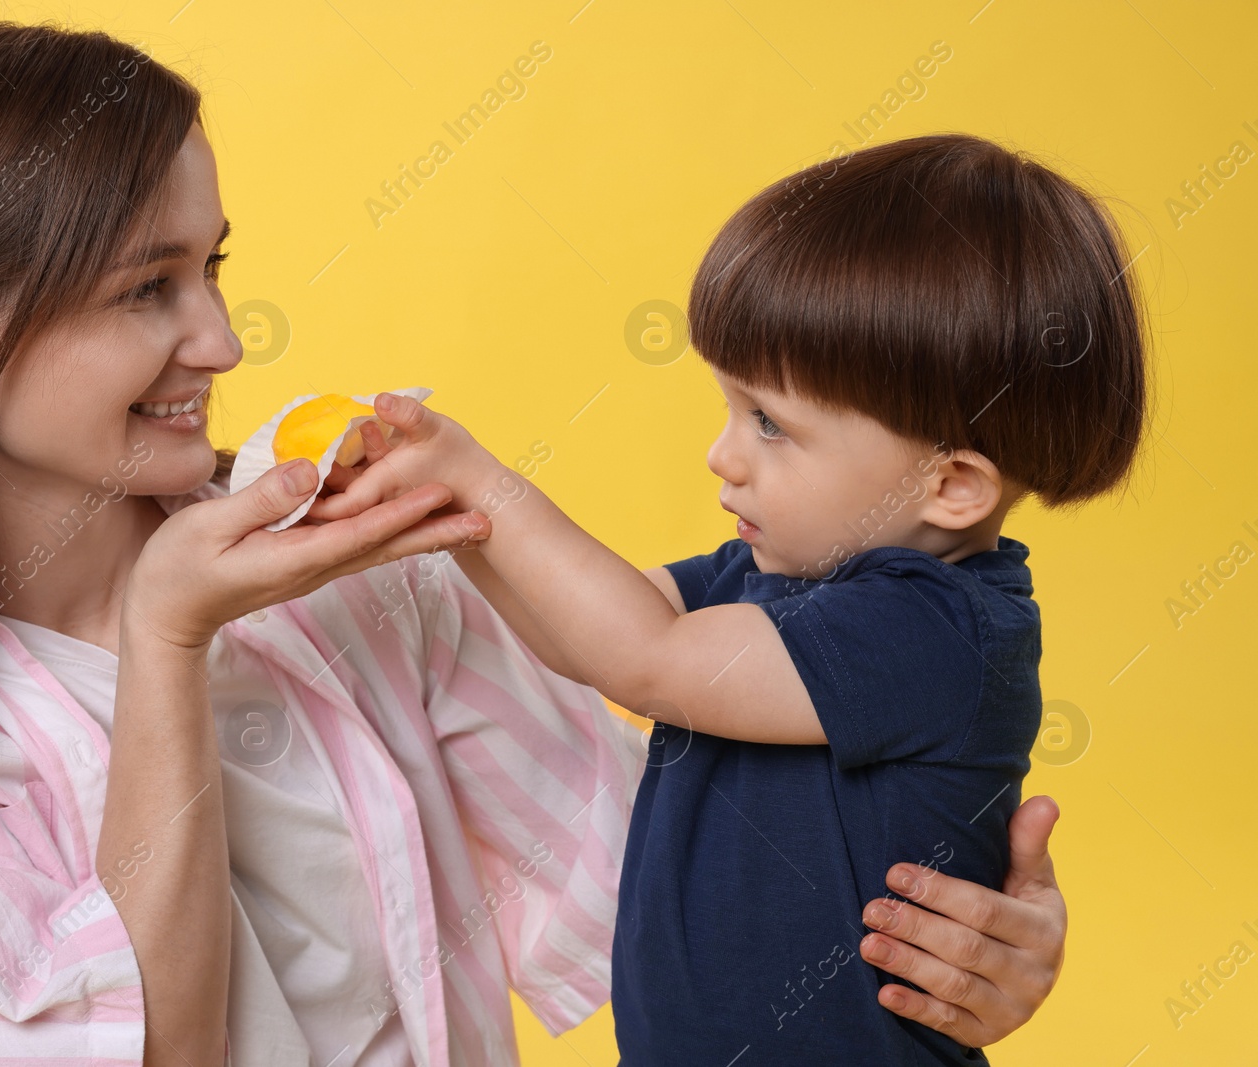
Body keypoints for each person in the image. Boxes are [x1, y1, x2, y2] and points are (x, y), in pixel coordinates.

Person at [0, 22, 1069, 1067]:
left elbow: (669, 848)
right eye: (145, 288)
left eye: (212, 266)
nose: (218, 341)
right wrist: (165, 636)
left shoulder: (343, 550)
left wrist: (953, 950)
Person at [308, 133, 1142, 1063]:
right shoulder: (780, 574)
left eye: (772, 424)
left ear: (951, 486)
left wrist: (478, 481)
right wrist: (432, 508)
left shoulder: (939, 631)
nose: (723, 454)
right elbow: (584, 633)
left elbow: (646, 660)